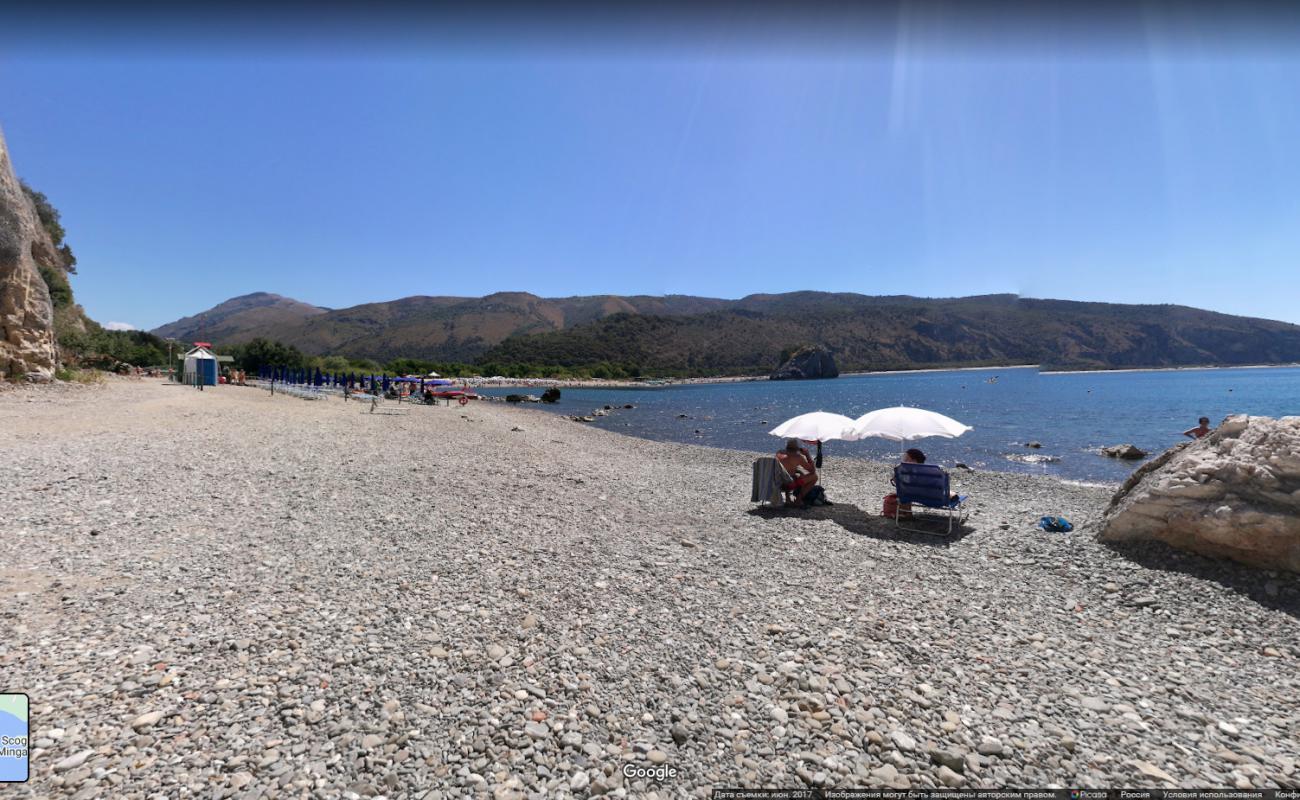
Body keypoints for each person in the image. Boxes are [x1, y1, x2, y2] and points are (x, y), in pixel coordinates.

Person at [776, 438, 819, 508]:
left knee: (789, 475)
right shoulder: (798, 457)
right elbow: (812, 471)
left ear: (787, 446)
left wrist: (796, 471)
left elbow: (785, 469)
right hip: (789, 484)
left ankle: (788, 499)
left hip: (777, 483)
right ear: (797, 448)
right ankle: (798, 500)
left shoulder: (779, 453)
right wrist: (807, 455)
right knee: (814, 477)